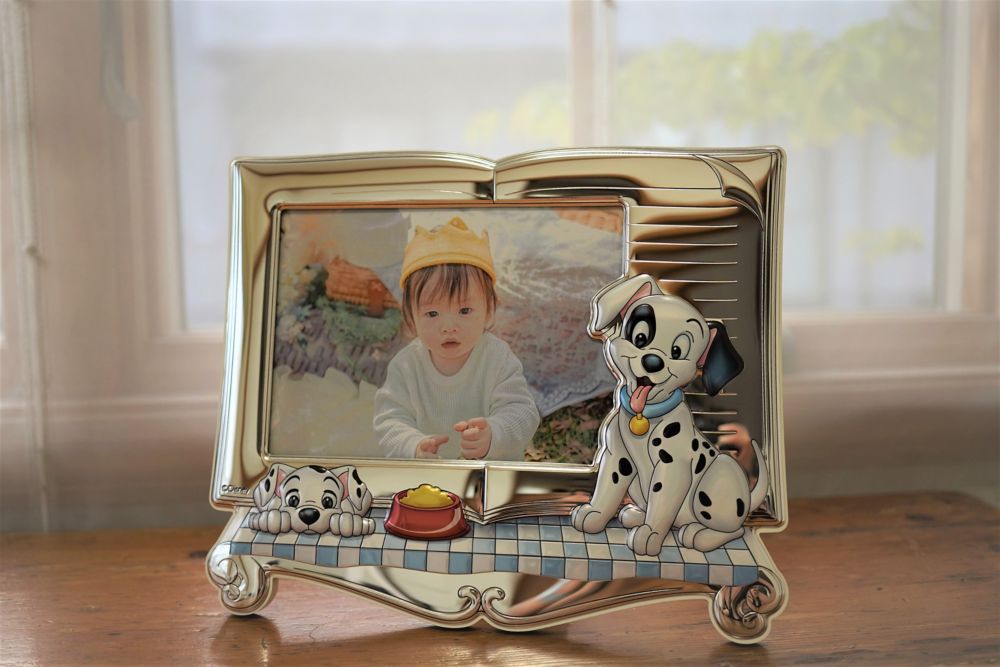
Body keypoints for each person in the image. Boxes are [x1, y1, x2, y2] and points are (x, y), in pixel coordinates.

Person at [373, 217, 539, 460]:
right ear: (411, 316)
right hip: (430, 475)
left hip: (486, 472)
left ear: (489, 309)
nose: (448, 327)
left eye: (464, 311)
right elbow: (390, 420)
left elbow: (523, 413)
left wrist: (493, 434)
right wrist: (413, 446)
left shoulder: (497, 358)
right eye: (432, 314)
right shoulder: (406, 366)